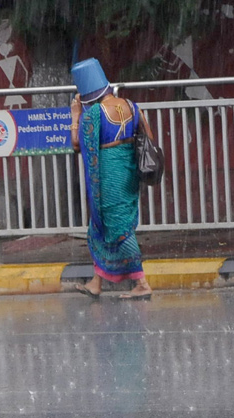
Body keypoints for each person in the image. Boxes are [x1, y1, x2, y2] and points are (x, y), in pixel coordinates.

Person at [70, 58, 155, 300]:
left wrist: (75, 116)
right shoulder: (131, 105)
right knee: (103, 226)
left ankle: (142, 283)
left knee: (117, 229)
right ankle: (96, 283)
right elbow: (148, 136)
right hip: (128, 173)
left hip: (109, 177)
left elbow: (78, 145)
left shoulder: (93, 114)